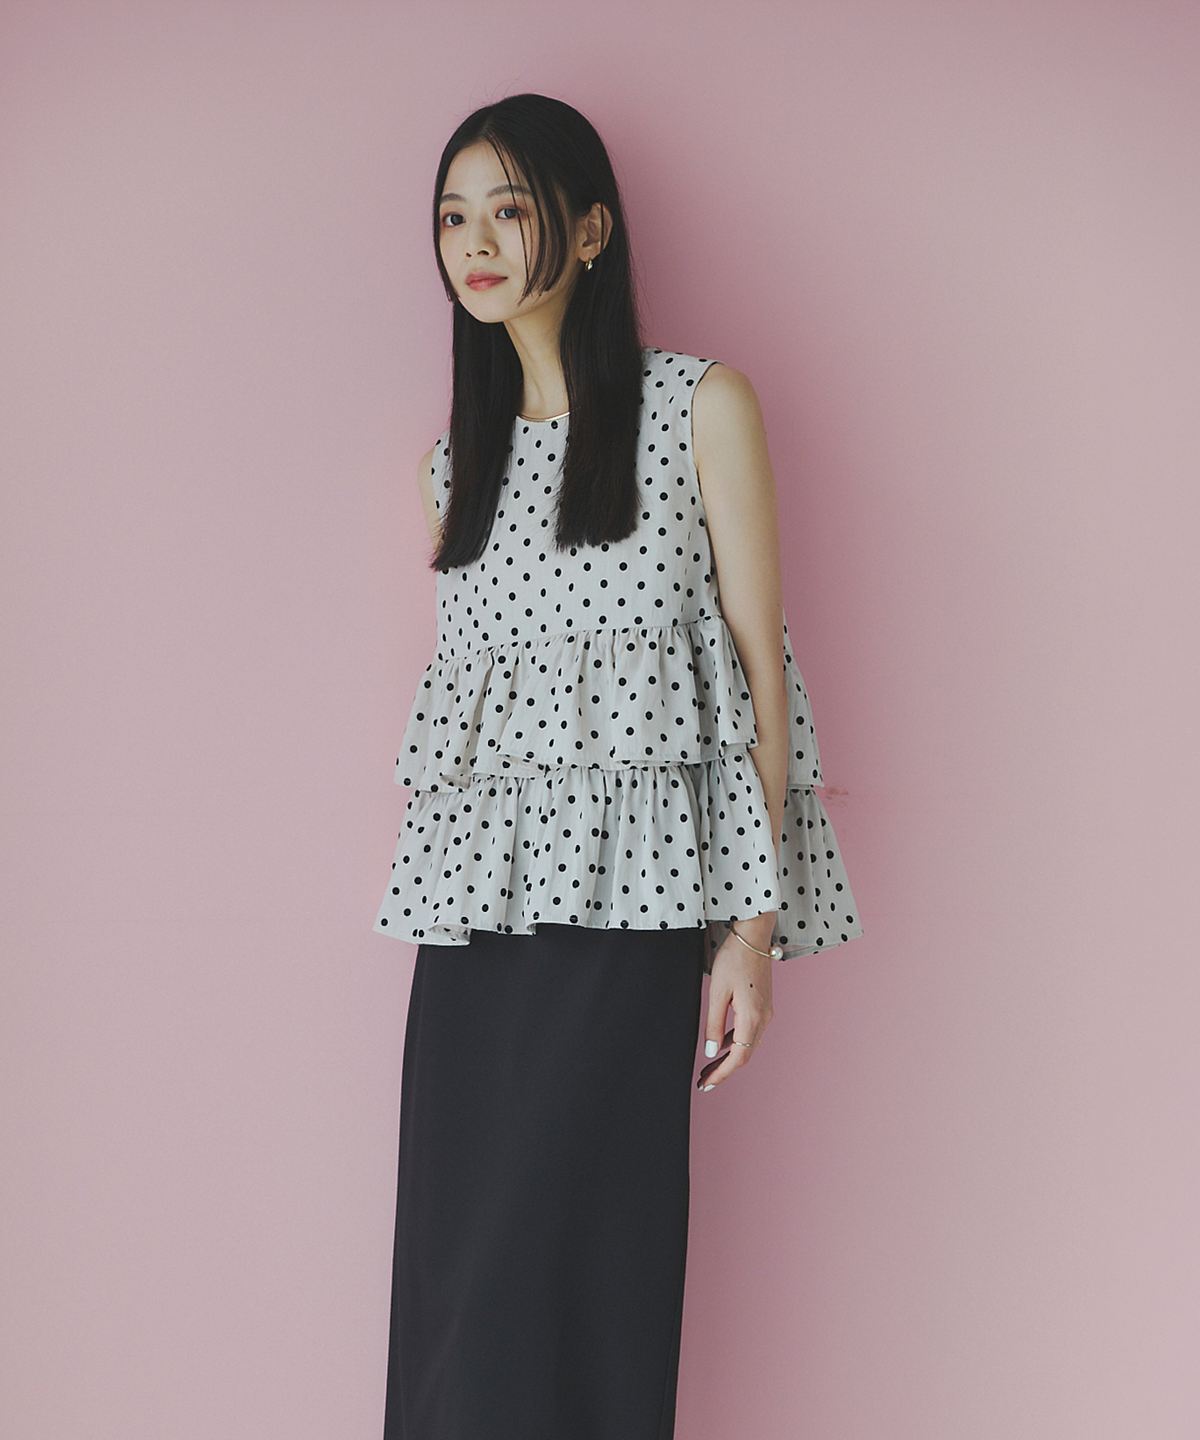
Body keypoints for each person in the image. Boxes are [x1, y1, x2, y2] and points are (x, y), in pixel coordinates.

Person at [373, 93, 864, 1440]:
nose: (476, 244)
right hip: (475, 943)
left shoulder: (699, 407)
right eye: (453, 218)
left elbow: (760, 674)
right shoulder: (451, 472)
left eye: (510, 210)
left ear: (590, 230)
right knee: (453, 1288)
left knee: (580, 1271)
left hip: (629, 927)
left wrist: (749, 935)